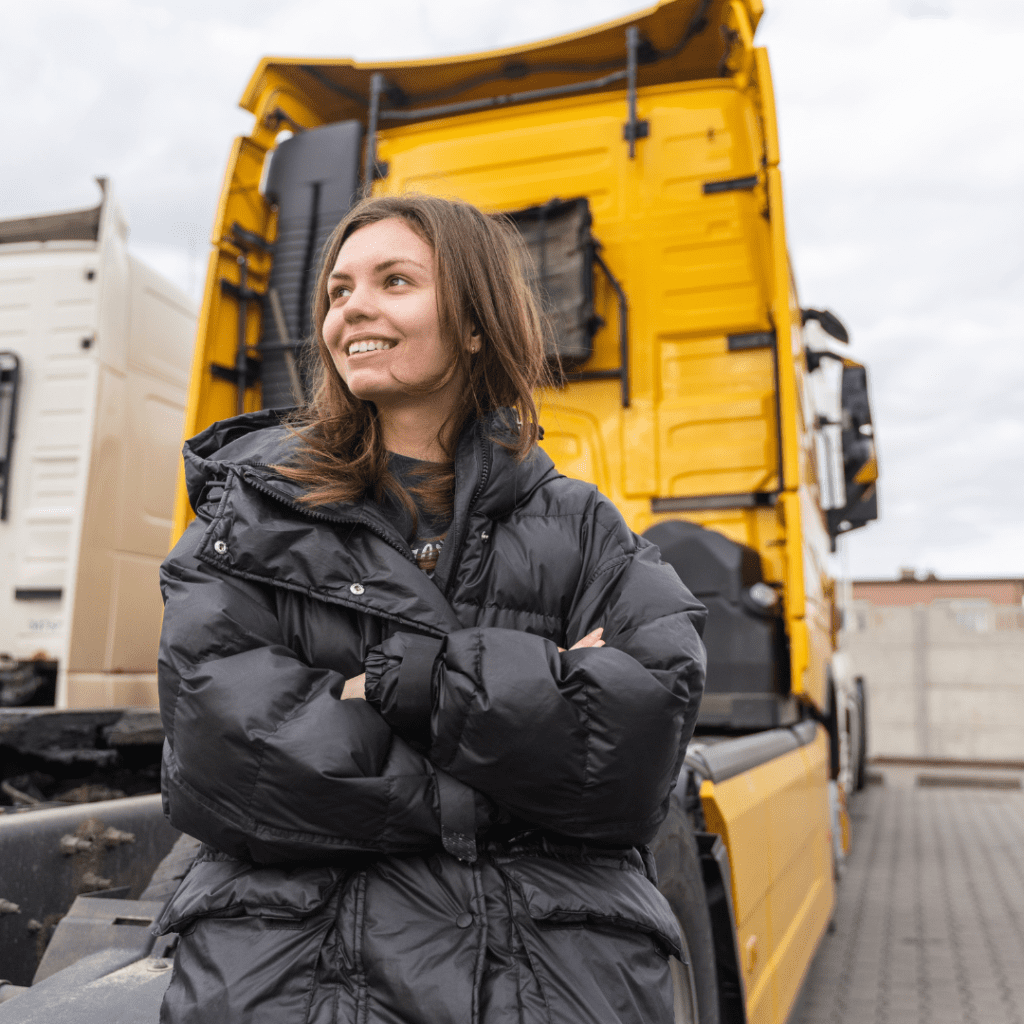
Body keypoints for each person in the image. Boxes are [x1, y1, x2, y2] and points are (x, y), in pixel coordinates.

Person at [155, 193, 707, 1024]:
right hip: (292, 975)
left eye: (395, 281)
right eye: (339, 291)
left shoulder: (586, 525)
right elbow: (227, 761)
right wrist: (537, 709)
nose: (354, 309)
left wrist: (396, 684)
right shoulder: (246, 516)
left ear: (478, 323)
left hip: (544, 976)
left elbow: (632, 760)